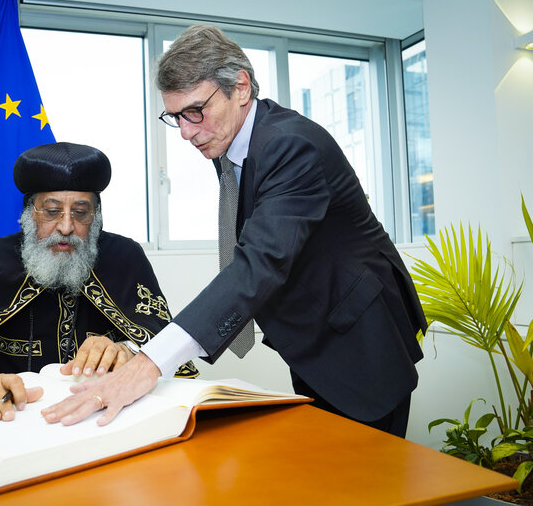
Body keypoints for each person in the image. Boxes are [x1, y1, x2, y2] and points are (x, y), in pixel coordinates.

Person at [41, 25, 426, 437]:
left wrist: (148, 365)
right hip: (313, 336)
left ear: (240, 87)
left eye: (195, 111)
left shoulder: (291, 146)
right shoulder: (231, 139)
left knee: (367, 478)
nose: (187, 132)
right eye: (176, 118)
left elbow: (257, 264)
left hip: (360, 335)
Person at [0, 142, 198, 422]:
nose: (66, 226)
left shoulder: (125, 257)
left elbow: (167, 345)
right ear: (29, 213)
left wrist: (128, 350)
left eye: (80, 213)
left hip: (107, 422)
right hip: (10, 423)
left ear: (97, 216)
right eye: (51, 212)